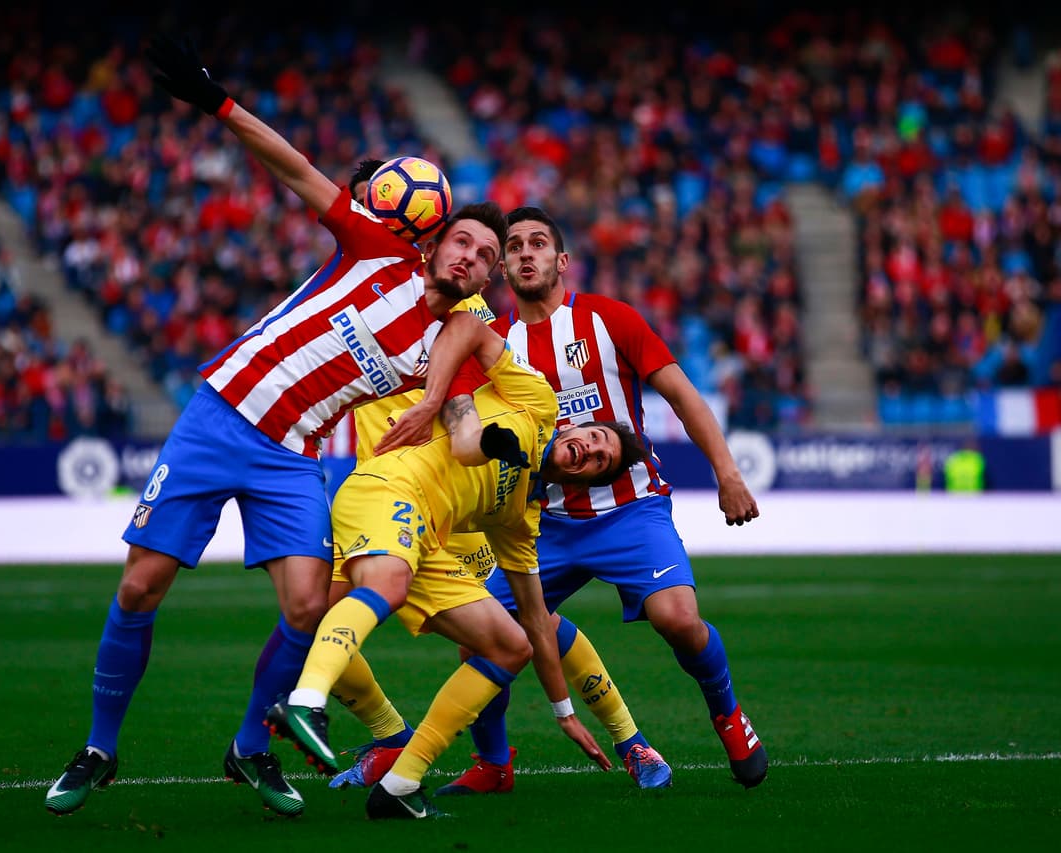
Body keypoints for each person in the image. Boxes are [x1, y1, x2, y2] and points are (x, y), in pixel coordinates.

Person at [44, 37, 507, 818]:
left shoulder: (452, 345)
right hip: (221, 417)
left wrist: (500, 452)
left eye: (487, 257)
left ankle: (250, 746)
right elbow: (294, 167)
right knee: (140, 584)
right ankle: (98, 746)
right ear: (435, 238)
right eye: (465, 240)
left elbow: (463, 428)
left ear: (487, 279)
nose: (471, 257)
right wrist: (217, 101)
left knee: (305, 607)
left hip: (293, 457)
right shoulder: (377, 248)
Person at [379, 206, 769, 790]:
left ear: (561, 261)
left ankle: (728, 712)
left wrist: (727, 473)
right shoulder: (497, 343)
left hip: (630, 510)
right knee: (482, 639)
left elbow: (683, 395)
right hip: (542, 524)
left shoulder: (611, 321)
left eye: (538, 243)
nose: (526, 253)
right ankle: (493, 764)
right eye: (514, 246)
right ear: (502, 267)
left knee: (678, 619)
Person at [321, 161, 672, 795]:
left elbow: (466, 350)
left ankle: (625, 737)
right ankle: (396, 739)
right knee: (309, 609)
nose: (381, 219)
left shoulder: (462, 293)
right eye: (371, 208)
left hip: (457, 490)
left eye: (389, 208)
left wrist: (446, 415)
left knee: (522, 629)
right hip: (384, 485)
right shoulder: (365, 291)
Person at [265, 313, 649, 819]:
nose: (590, 450)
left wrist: (565, 713)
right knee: (357, 598)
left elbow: (536, 618)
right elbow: (468, 324)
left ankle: (401, 783)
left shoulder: (520, 518)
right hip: (388, 488)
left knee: (507, 645)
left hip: (427, 540)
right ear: (576, 426)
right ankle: (307, 701)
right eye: (596, 438)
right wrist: (434, 403)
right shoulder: (537, 402)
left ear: (581, 483)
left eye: (600, 460)